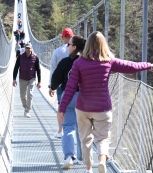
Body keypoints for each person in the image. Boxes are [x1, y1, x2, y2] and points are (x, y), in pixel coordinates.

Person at [59, 31, 153, 173]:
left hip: (83, 108)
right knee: (102, 138)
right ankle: (102, 160)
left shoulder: (78, 63)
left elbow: (70, 87)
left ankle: (88, 168)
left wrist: (62, 108)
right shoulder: (109, 60)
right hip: (102, 108)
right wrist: (148, 65)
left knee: (85, 139)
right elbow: (130, 66)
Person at [49, 36, 85, 169]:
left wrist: (52, 87)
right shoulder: (87, 62)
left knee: (68, 127)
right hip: (84, 98)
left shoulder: (65, 62)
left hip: (68, 98)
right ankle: (82, 158)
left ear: (74, 47)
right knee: (83, 129)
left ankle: (69, 156)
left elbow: (55, 80)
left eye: (69, 45)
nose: (67, 47)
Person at [49, 27, 74, 138]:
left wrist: (51, 86)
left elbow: (53, 70)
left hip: (61, 85)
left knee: (61, 107)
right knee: (75, 107)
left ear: (62, 37)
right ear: (72, 36)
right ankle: (75, 131)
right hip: (76, 84)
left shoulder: (57, 52)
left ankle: (60, 131)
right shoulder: (78, 50)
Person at [13, 43, 42, 118]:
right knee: (22, 96)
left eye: (29, 48)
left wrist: (39, 81)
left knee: (30, 94)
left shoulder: (35, 57)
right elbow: (16, 68)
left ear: (31, 48)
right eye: (26, 48)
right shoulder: (20, 56)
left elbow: (38, 70)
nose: (28, 49)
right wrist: (14, 79)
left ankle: (27, 110)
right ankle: (25, 107)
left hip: (31, 78)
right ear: (25, 48)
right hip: (22, 78)